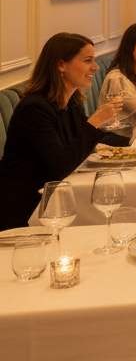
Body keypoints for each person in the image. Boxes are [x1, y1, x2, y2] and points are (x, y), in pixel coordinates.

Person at [0, 33, 122, 230]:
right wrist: (96, 120)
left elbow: (87, 142)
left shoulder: (72, 101)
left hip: (55, 202)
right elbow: (60, 166)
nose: (96, 67)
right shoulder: (34, 108)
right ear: (61, 65)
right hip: (25, 211)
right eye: (87, 60)